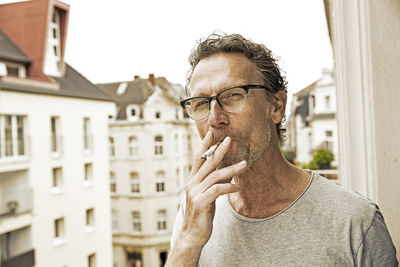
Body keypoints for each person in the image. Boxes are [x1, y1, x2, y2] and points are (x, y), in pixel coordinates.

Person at [166, 32, 398, 266]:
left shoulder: (355, 222)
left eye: (233, 95)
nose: (214, 118)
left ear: (276, 106)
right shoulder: (194, 212)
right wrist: (187, 242)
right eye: (201, 103)